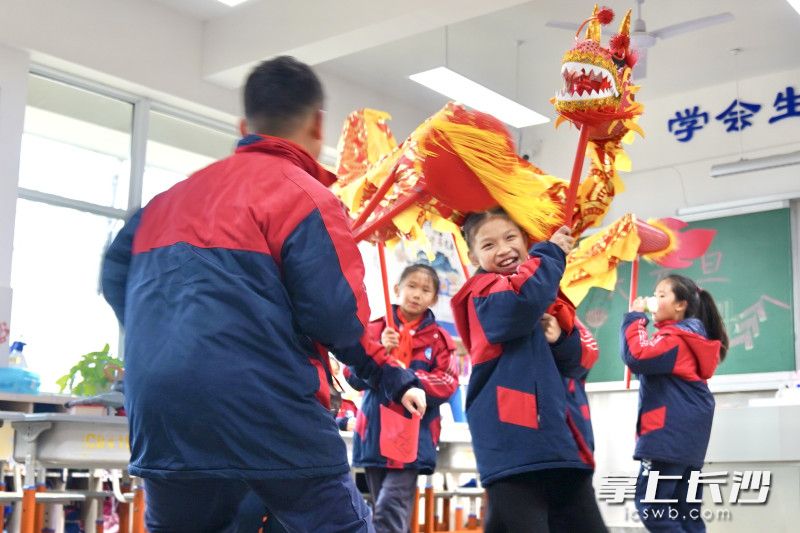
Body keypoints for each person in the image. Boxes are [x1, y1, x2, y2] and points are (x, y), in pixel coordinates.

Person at [101, 55, 425, 533]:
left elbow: (115, 277)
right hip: (265, 408)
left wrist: (175, 339)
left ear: (243, 126)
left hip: (163, 412)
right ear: (317, 124)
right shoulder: (305, 196)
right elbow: (338, 316)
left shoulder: (164, 203)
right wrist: (389, 377)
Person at [450, 208, 607, 533]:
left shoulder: (547, 294)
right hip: (515, 443)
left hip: (563, 441)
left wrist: (561, 340)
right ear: (473, 256)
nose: (504, 249)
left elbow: (583, 361)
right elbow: (517, 304)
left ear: (525, 239)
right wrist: (550, 253)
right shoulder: (482, 292)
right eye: (489, 245)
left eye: (510, 238)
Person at [348, 264, 458, 533]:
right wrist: (379, 352)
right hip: (376, 430)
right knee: (386, 509)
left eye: (425, 289)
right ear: (397, 289)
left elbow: (447, 383)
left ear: (433, 298)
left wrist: (405, 379)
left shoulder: (440, 339)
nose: (417, 294)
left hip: (413, 434)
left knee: (389, 510)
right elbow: (352, 375)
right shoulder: (375, 330)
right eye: (411, 286)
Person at [622, 274, 729, 532]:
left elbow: (637, 356)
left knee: (653, 508)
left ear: (680, 305)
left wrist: (634, 319)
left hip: (666, 439)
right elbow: (647, 367)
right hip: (687, 444)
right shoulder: (689, 339)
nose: (654, 299)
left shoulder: (674, 339)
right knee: (686, 513)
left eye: (661, 295)